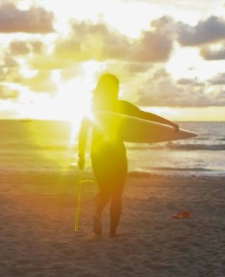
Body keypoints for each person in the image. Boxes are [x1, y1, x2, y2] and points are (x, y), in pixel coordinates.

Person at [77, 73, 179, 238]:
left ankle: (97, 213)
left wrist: (80, 156)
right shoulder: (121, 107)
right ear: (109, 89)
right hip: (116, 153)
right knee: (117, 194)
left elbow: (83, 134)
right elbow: (144, 116)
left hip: (98, 154)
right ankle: (112, 233)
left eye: (117, 87)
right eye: (115, 88)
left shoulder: (93, 111)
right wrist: (169, 124)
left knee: (105, 191)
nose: (117, 90)